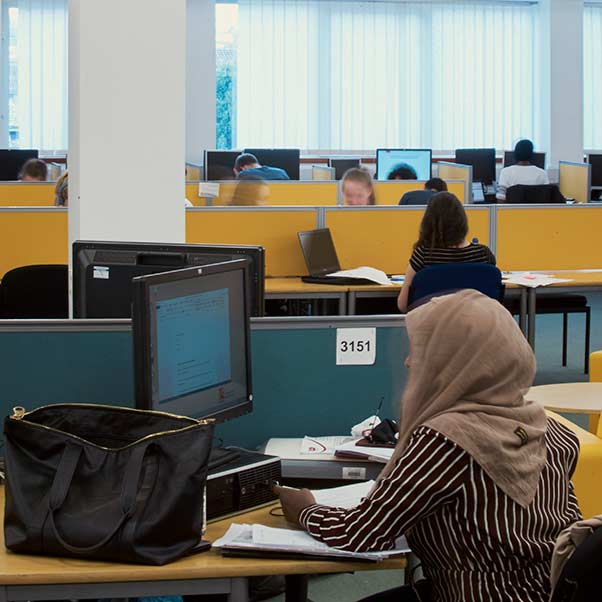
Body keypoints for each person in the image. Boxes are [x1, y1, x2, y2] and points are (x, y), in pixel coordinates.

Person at [276, 290, 582, 602]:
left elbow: (361, 533)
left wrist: (305, 508)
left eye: (424, 351)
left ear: (456, 362)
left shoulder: (448, 440)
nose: (409, 362)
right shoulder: (548, 428)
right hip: (547, 591)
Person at [396, 192, 496, 312]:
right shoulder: (484, 255)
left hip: (434, 328)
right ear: (462, 220)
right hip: (476, 326)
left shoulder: (423, 255)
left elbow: (403, 305)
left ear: (428, 222)